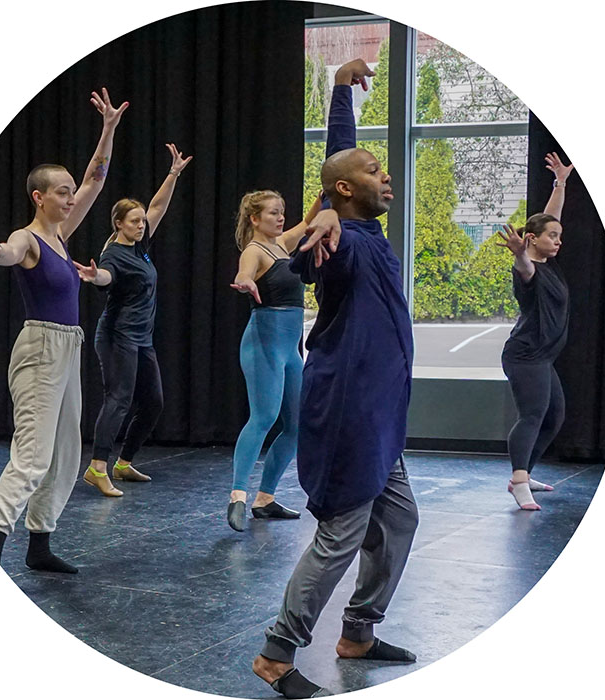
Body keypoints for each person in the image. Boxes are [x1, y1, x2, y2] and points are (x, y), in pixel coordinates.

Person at [252, 59, 418, 699]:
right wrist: (319, 219)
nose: (388, 181)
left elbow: (340, 162)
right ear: (345, 193)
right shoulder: (340, 240)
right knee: (341, 536)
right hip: (351, 415)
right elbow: (311, 245)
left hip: (383, 417)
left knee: (398, 522)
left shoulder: (364, 227)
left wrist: (342, 91)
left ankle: (358, 632)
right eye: (377, 174)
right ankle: (276, 653)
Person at [0, 88, 128, 573]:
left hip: (67, 347)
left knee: (65, 452)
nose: (71, 195)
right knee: (33, 455)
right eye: (62, 190)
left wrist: (108, 128)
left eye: (70, 190)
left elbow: (97, 179)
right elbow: (7, 254)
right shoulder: (28, 237)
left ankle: (40, 546)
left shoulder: (61, 232)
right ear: (39, 196)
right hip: (39, 348)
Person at [74, 143, 193, 497]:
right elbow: (106, 277)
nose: (142, 225)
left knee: (153, 402)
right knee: (119, 399)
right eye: (135, 221)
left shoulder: (139, 245)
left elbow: (157, 207)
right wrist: (95, 278)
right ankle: (97, 468)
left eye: (142, 221)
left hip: (141, 338)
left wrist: (172, 174)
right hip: (116, 336)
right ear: (118, 224)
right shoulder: (114, 254)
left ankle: (123, 463)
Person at [226, 190, 329, 531]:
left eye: (281, 211)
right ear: (255, 219)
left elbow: (307, 224)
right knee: (264, 417)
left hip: (290, 349)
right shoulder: (255, 251)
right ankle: (238, 497)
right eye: (273, 213)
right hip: (264, 344)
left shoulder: (281, 245)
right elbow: (244, 273)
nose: (280, 217)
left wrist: (323, 196)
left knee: (297, 425)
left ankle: (265, 498)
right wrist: (244, 284)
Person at [496, 152, 575, 510]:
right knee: (532, 415)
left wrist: (560, 182)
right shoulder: (529, 270)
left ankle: (526, 471)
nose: (558, 240)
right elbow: (524, 263)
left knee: (554, 416)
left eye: (559, 236)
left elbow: (550, 217)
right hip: (525, 356)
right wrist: (518, 251)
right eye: (552, 236)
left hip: (543, 358)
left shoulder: (548, 259)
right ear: (531, 239)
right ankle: (518, 480)